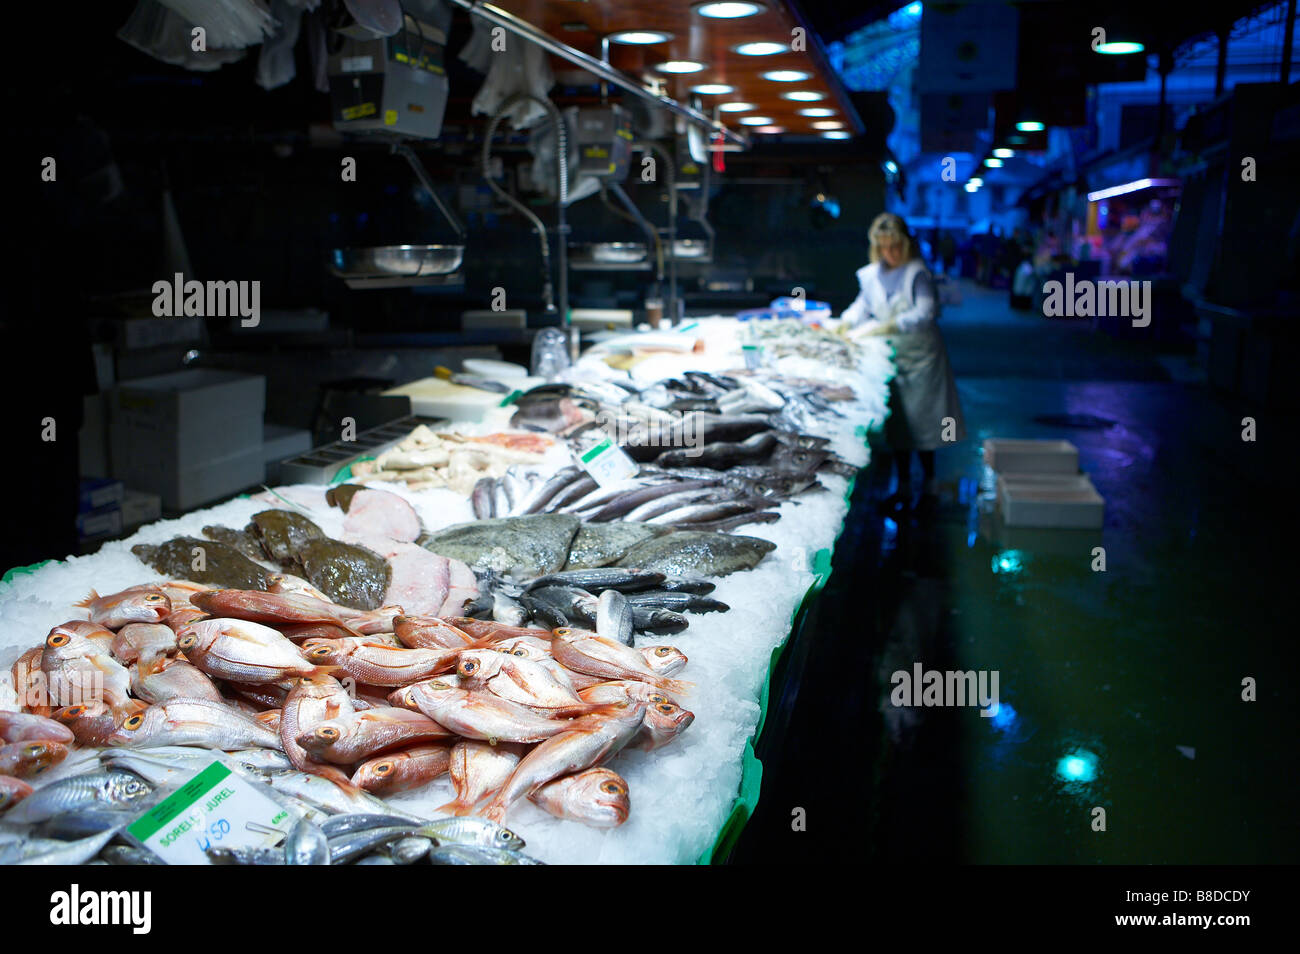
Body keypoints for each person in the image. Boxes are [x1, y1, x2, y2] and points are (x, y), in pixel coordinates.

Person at [842, 212, 967, 511]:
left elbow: (926, 312)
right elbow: (863, 304)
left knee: (925, 425)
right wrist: (845, 323)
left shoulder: (917, 273)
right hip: (893, 358)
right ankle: (903, 486)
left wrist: (893, 324)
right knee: (901, 426)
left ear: (905, 244)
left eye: (895, 246)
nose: (890, 253)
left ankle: (929, 486)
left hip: (922, 359)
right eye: (884, 247)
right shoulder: (874, 273)